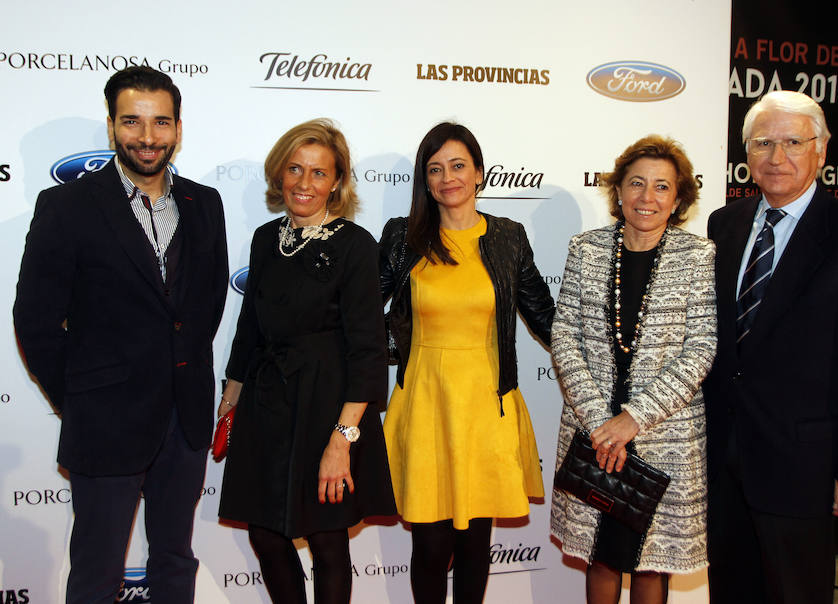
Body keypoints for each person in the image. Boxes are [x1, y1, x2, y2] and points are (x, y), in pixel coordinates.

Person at [13, 66, 228, 603]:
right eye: (132, 121)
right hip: (104, 421)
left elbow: (207, 306)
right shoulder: (67, 207)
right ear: (111, 126)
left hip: (185, 419)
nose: (148, 137)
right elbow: (35, 322)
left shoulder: (206, 205)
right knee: (96, 572)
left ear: (179, 128)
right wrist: (84, 398)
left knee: (176, 561)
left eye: (161, 122)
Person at [703, 90, 838, 604]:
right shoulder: (723, 224)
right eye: (763, 143)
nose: (776, 157)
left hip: (805, 465)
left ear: (822, 150)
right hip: (722, 461)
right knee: (731, 590)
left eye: (793, 142)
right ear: (746, 154)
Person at [217, 118, 395, 604]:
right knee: (266, 533)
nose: (304, 183)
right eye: (295, 169)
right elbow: (249, 323)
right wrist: (231, 396)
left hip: (328, 405)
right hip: (266, 401)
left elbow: (368, 348)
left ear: (336, 181)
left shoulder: (356, 245)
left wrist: (343, 439)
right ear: (280, 174)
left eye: (319, 173)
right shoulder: (263, 238)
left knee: (326, 537)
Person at [379, 122, 555, 603]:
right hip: (425, 402)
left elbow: (543, 315)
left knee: (475, 544)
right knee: (431, 545)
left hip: (486, 407)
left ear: (479, 172)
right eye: (435, 169)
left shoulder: (507, 237)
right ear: (425, 180)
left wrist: (603, 361)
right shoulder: (403, 236)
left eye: (458, 166)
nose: (447, 178)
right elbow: (364, 312)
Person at [551, 135, 716, 604]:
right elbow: (565, 336)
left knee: (651, 563)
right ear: (618, 191)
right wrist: (602, 424)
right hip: (593, 432)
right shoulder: (585, 249)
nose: (648, 197)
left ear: (679, 197)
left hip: (664, 436)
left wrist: (634, 419)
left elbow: (701, 348)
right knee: (601, 555)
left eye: (662, 187)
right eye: (637, 184)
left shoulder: (698, 255)